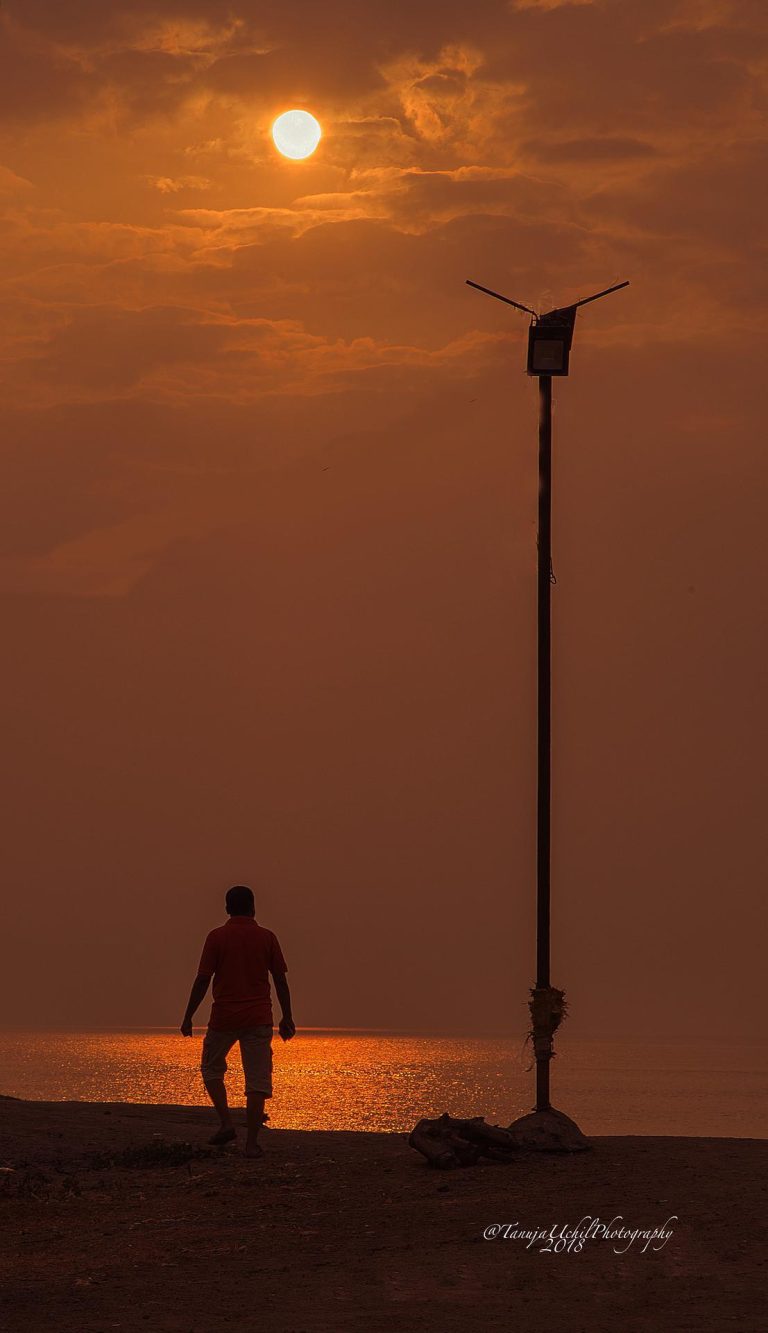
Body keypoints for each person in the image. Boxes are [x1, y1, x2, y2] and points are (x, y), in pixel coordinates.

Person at [180, 885, 295, 1158]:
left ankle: (226, 1123)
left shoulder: (217, 937)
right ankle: (252, 1143)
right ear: (253, 907)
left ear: (227, 908)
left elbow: (203, 979)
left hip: (224, 1017)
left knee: (211, 1068)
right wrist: (287, 1016)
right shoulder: (267, 937)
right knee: (257, 1080)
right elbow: (280, 979)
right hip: (258, 1017)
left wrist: (188, 1015)